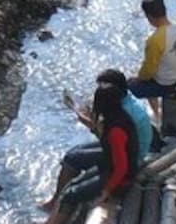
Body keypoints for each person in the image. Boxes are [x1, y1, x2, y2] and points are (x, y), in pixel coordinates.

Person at [39, 69, 156, 211]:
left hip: (132, 155)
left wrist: (90, 125)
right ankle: (57, 199)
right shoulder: (127, 100)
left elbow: (113, 143)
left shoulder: (122, 113)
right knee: (74, 153)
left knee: (72, 159)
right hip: (132, 147)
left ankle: (57, 201)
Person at [38, 82, 140, 224]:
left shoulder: (116, 131)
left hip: (121, 178)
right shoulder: (117, 118)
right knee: (70, 186)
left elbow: (122, 167)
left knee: (71, 194)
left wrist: (106, 191)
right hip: (109, 165)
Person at [128, 0, 176, 106]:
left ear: (149, 16)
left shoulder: (155, 40)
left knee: (129, 85)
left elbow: (148, 72)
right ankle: (157, 113)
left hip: (166, 84)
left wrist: (137, 78)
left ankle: (155, 114)